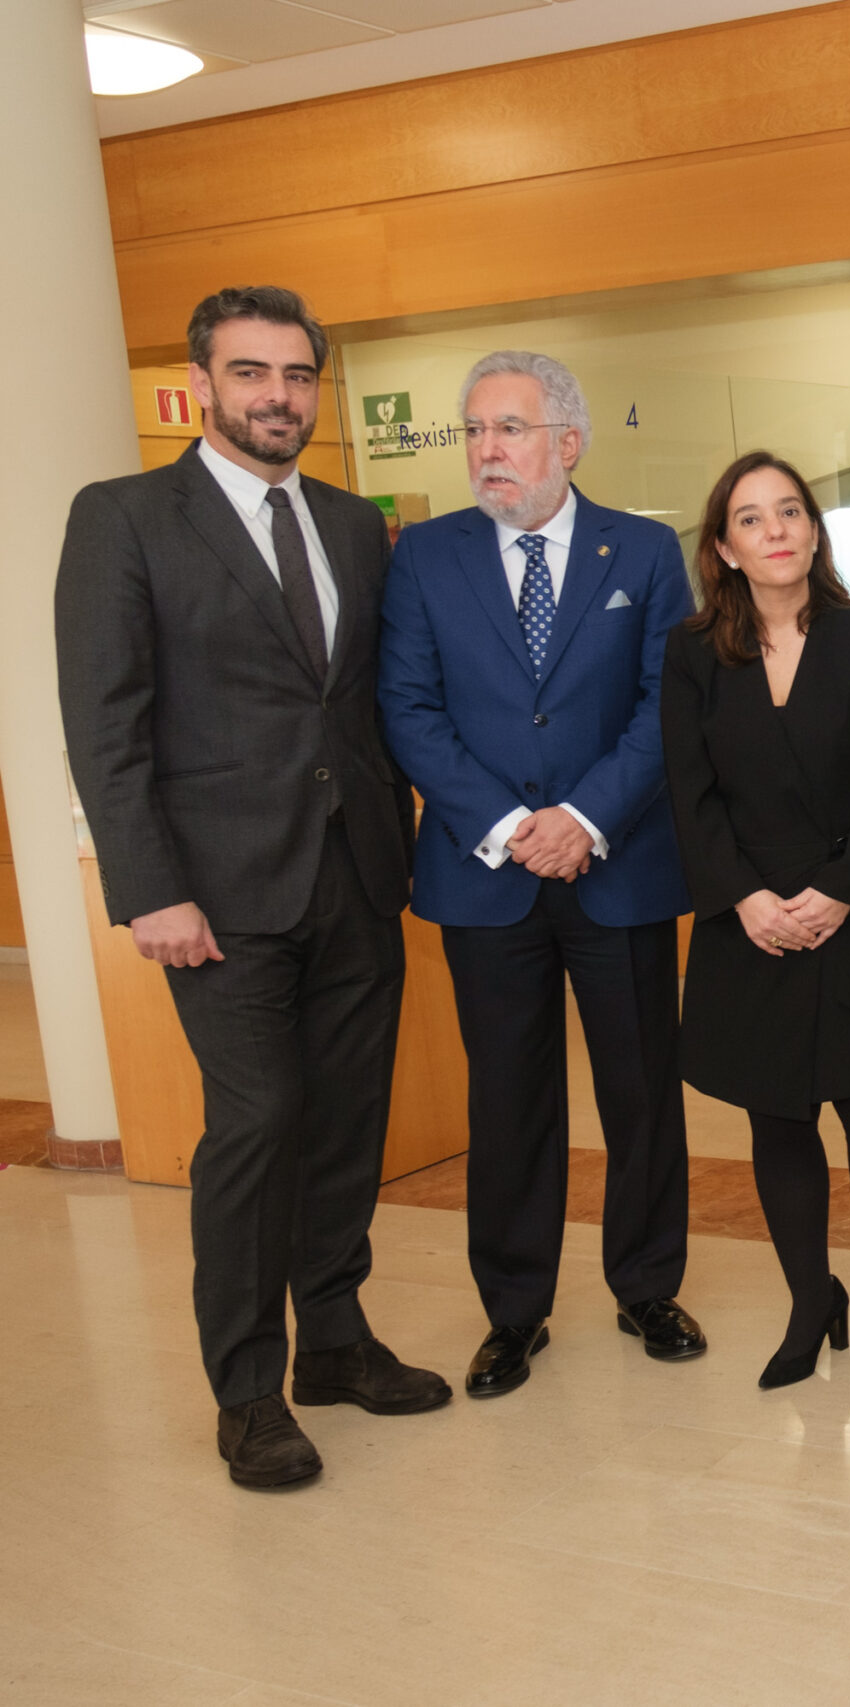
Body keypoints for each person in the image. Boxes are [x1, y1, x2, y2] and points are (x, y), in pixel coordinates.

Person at [56, 286, 447, 1489]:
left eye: (295, 375)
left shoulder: (345, 521)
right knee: (257, 1127)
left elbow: (365, 702)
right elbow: (105, 720)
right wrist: (147, 889)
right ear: (204, 380)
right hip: (216, 901)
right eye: (251, 373)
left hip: (355, 875)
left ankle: (334, 1339)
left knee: (345, 1128)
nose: (276, 395)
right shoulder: (125, 517)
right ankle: (245, 1391)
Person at [377, 350, 703, 1398]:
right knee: (510, 1102)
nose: (486, 452)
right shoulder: (424, 559)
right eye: (473, 432)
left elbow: (667, 707)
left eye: (507, 430)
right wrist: (516, 824)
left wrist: (586, 818)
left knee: (641, 1091)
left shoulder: (645, 552)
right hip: (487, 877)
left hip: (618, 869)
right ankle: (514, 1312)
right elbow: (409, 711)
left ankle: (647, 1284)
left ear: (569, 441)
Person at [661, 452, 850, 1389]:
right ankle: (808, 1297)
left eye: (791, 511)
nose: (776, 529)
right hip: (747, 920)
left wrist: (837, 889)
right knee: (778, 1121)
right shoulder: (692, 651)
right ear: (723, 548)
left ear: (815, 532)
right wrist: (744, 896)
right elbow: (690, 794)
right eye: (752, 518)